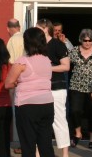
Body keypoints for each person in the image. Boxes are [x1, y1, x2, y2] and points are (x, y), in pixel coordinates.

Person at [4, 27, 54, 157]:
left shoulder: (22, 61)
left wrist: (17, 83)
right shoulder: (47, 60)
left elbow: (8, 83)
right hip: (47, 103)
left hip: (27, 105)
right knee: (45, 144)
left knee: (28, 145)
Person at [36, 18, 70, 157]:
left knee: (59, 120)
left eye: (38, 28)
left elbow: (66, 66)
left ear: (45, 29)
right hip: (40, 88)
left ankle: (65, 154)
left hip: (56, 88)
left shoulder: (58, 45)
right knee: (40, 120)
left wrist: (48, 68)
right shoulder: (37, 46)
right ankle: (38, 152)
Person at [68, 28, 92, 149]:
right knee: (75, 110)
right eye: (85, 40)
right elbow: (65, 64)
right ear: (81, 40)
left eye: (90, 40)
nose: (88, 43)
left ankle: (91, 139)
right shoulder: (74, 50)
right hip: (76, 85)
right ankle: (78, 133)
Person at [6, 18, 24, 155]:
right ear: (19, 26)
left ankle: (20, 143)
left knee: (17, 112)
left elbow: (11, 62)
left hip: (17, 79)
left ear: (8, 29)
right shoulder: (26, 37)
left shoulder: (12, 40)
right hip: (28, 79)